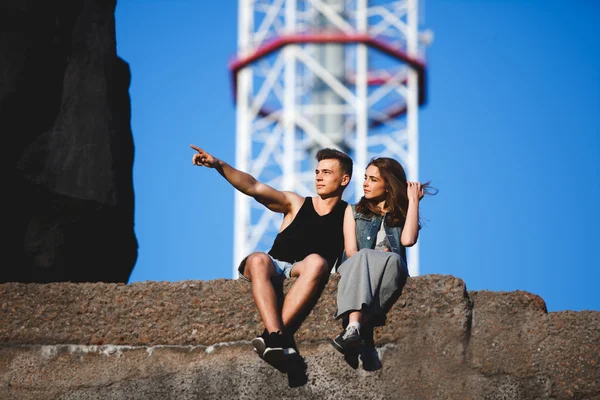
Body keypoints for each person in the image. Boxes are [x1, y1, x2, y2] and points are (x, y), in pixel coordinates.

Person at [190, 144, 352, 368]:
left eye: (326, 173)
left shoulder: (349, 216)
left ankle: (271, 337)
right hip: (272, 266)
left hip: (303, 270)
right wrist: (218, 164)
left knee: (316, 261)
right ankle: (277, 336)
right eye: (317, 172)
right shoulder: (296, 202)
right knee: (258, 259)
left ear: (344, 180)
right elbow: (254, 187)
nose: (319, 178)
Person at [330, 157, 436, 370]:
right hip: (357, 265)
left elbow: (408, 241)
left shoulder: (401, 214)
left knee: (392, 258)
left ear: (387, 186)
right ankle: (357, 329)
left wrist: (413, 201)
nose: (365, 184)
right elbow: (351, 251)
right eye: (365, 178)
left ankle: (352, 330)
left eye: (372, 179)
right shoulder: (353, 211)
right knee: (364, 256)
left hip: (390, 267)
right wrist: (372, 256)